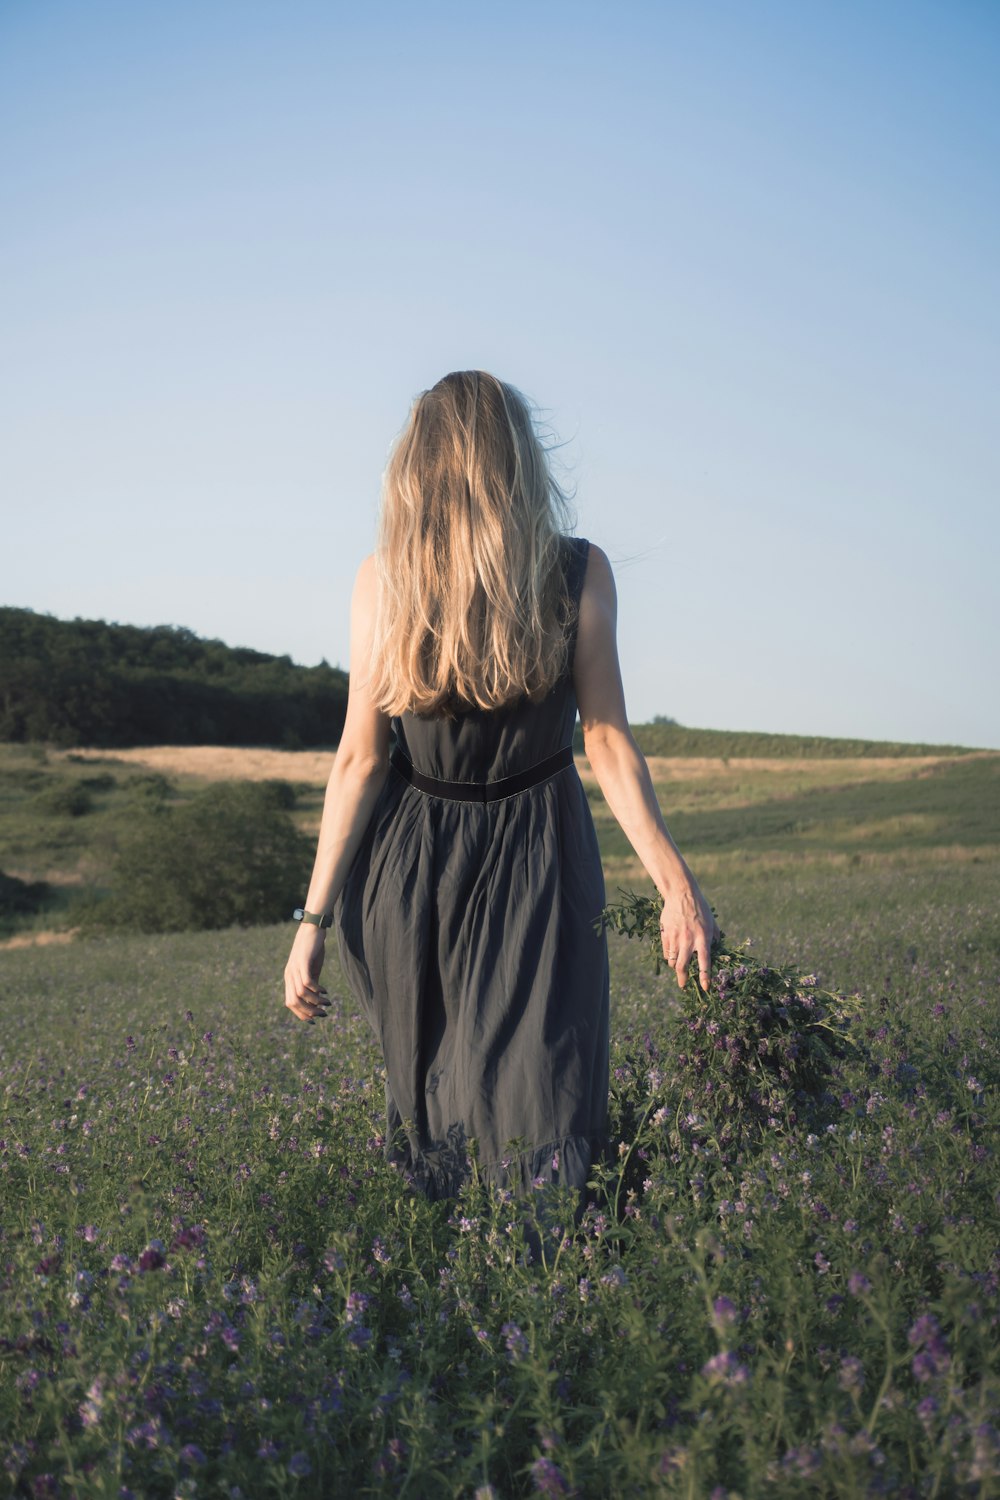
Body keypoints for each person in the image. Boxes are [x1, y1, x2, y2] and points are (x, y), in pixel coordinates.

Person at [284, 370, 718, 1208]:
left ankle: (506, 1294)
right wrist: (676, 886)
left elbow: (358, 761)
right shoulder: (575, 571)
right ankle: (524, 1296)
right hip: (534, 850)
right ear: (518, 458)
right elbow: (607, 737)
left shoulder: (384, 579)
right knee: (531, 1093)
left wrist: (313, 920)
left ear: (418, 464)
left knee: (455, 1100)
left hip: (417, 866)